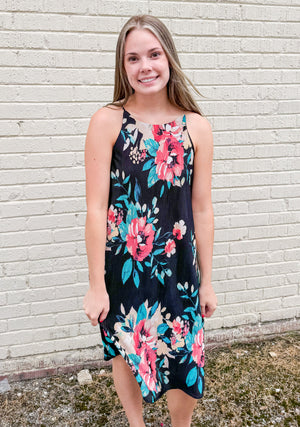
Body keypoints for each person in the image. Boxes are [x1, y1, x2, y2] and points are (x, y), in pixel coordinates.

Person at [83, 14, 218, 427]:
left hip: (178, 267)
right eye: (133, 58)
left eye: (154, 54)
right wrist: (95, 286)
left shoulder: (196, 127)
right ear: (123, 67)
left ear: (169, 58)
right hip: (124, 267)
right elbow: (95, 208)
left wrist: (208, 279)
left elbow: (202, 209)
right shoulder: (107, 122)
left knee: (185, 357)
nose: (146, 66)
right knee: (127, 350)